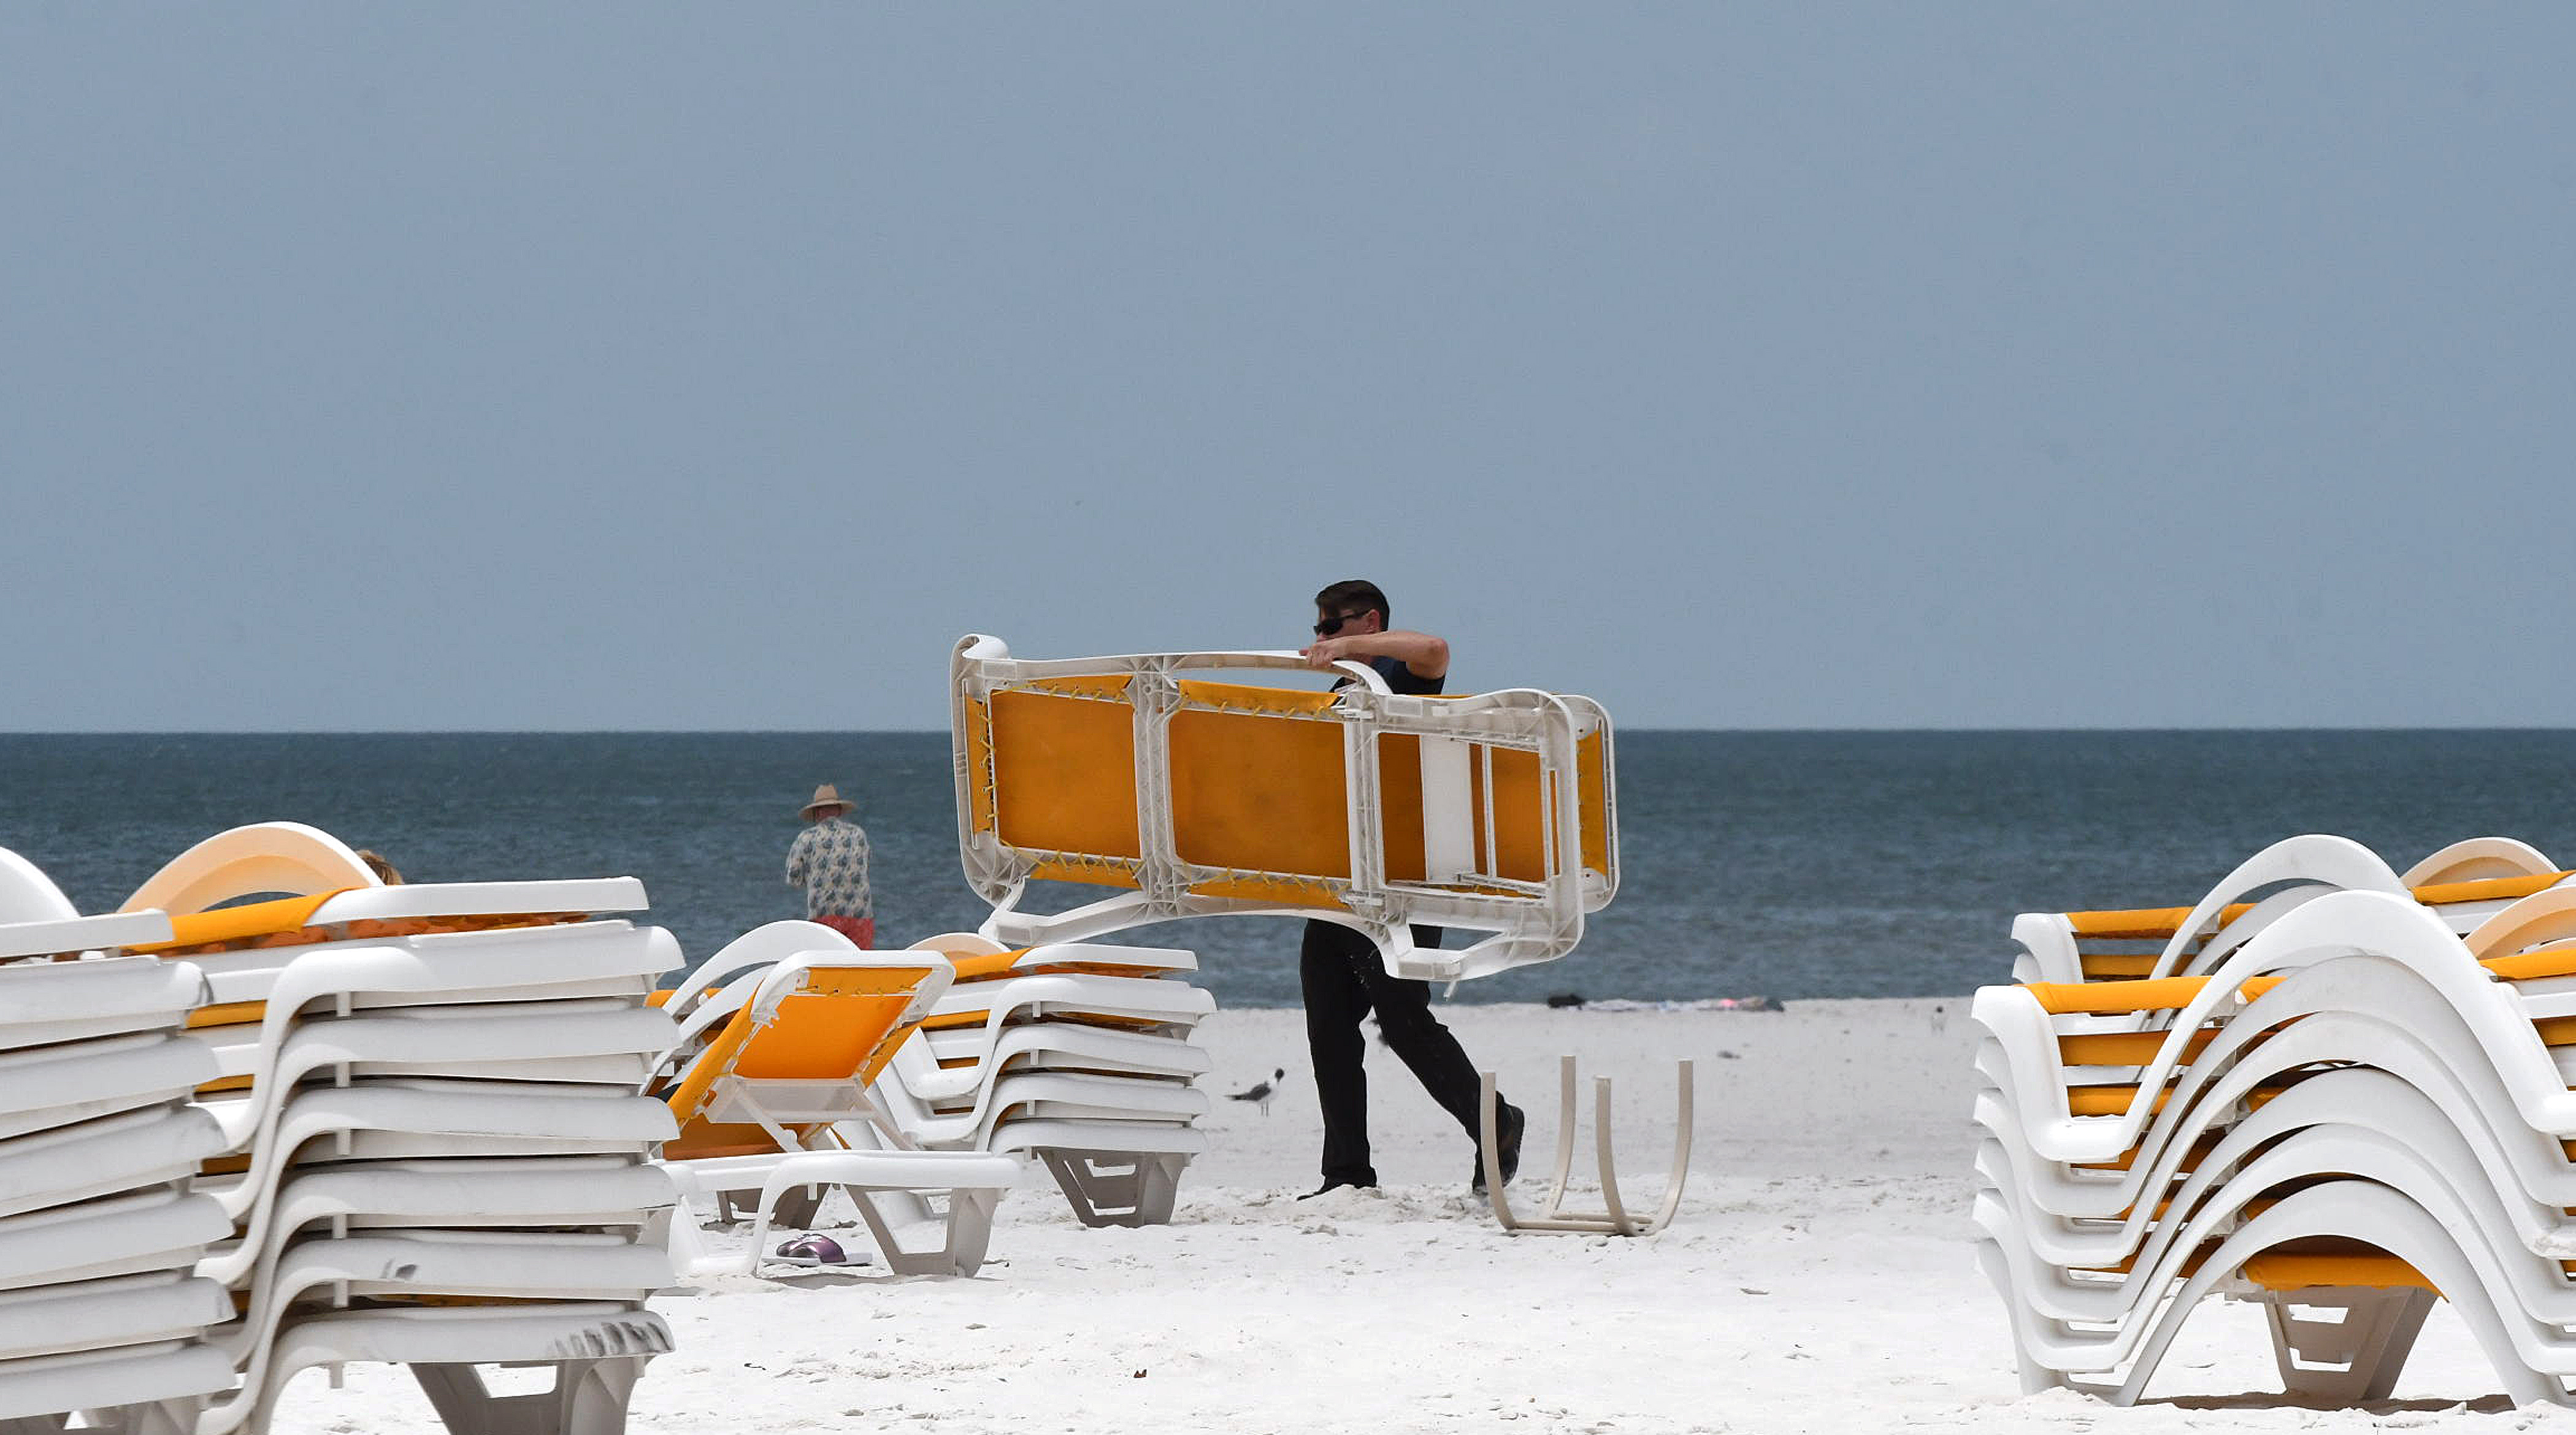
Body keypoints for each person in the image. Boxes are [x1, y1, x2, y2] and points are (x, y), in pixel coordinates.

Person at [1293, 579, 1524, 1198]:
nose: (1320, 640)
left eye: (1331, 627)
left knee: (1404, 1022)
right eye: (1317, 629)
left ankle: (1498, 1123)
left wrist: (1363, 647)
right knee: (1329, 1032)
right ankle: (1346, 1174)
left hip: (1402, 881)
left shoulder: (1400, 673)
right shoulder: (1347, 687)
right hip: (1342, 882)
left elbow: (1436, 647)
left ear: (1368, 621)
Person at [785, 783, 874, 947]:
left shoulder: (807, 838)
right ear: (839, 811)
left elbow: (794, 879)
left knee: (828, 964)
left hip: (824, 915)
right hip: (861, 916)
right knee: (860, 966)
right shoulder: (858, 834)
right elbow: (865, 864)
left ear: (817, 813)